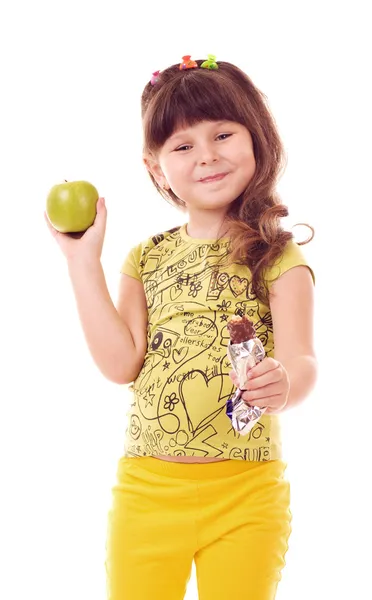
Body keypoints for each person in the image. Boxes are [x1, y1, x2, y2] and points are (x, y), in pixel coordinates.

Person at [45, 55, 317, 600]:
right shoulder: (144, 259)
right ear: (155, 166)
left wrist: (285, 383)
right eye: (183, 146)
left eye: (222, 134)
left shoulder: (277, 255)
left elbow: (302, 359)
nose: (208, 156)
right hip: (147, 490)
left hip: (247, 493)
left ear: (257, 138)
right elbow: (121, 364)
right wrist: (82, 262)